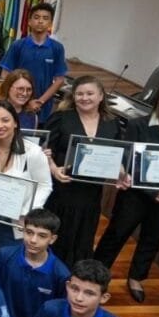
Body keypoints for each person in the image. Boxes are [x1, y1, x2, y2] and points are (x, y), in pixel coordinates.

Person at [94, 79, 159, 303]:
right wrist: (154, 192)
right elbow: (131, 161)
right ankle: (96, 276)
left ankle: (136, 277)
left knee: (152, 239)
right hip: (136, 196)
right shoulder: (139, 125)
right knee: (116, 235)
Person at [45, 75, 124, 267]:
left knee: (82, 238)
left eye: (90, 93)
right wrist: (54, 170)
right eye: (79, 94)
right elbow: (45, 152)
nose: (84, 98)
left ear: (101, 96)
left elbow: (117, 156)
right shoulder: (61, 118)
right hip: (61, 191)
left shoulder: (112, 123)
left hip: (90, 194)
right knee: (57, 237)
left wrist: (121, 174)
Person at [0, 100, 53, 267]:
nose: (0, 125)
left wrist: (28, 214)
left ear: (15, 122)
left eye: (5, 120)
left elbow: (45, 185)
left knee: (5, 261)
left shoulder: (33, 152)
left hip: (15, 219)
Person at [0, 2, 68, 123]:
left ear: (50, 23)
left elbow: (59, 80)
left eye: (45, 18)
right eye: (36, 17)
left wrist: (40, 101)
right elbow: (5, 75)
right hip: (17, 103)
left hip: (42, 106)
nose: (40, 21)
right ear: (29, 21)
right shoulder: (18, 45)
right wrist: (18, 100)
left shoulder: (57, 48)